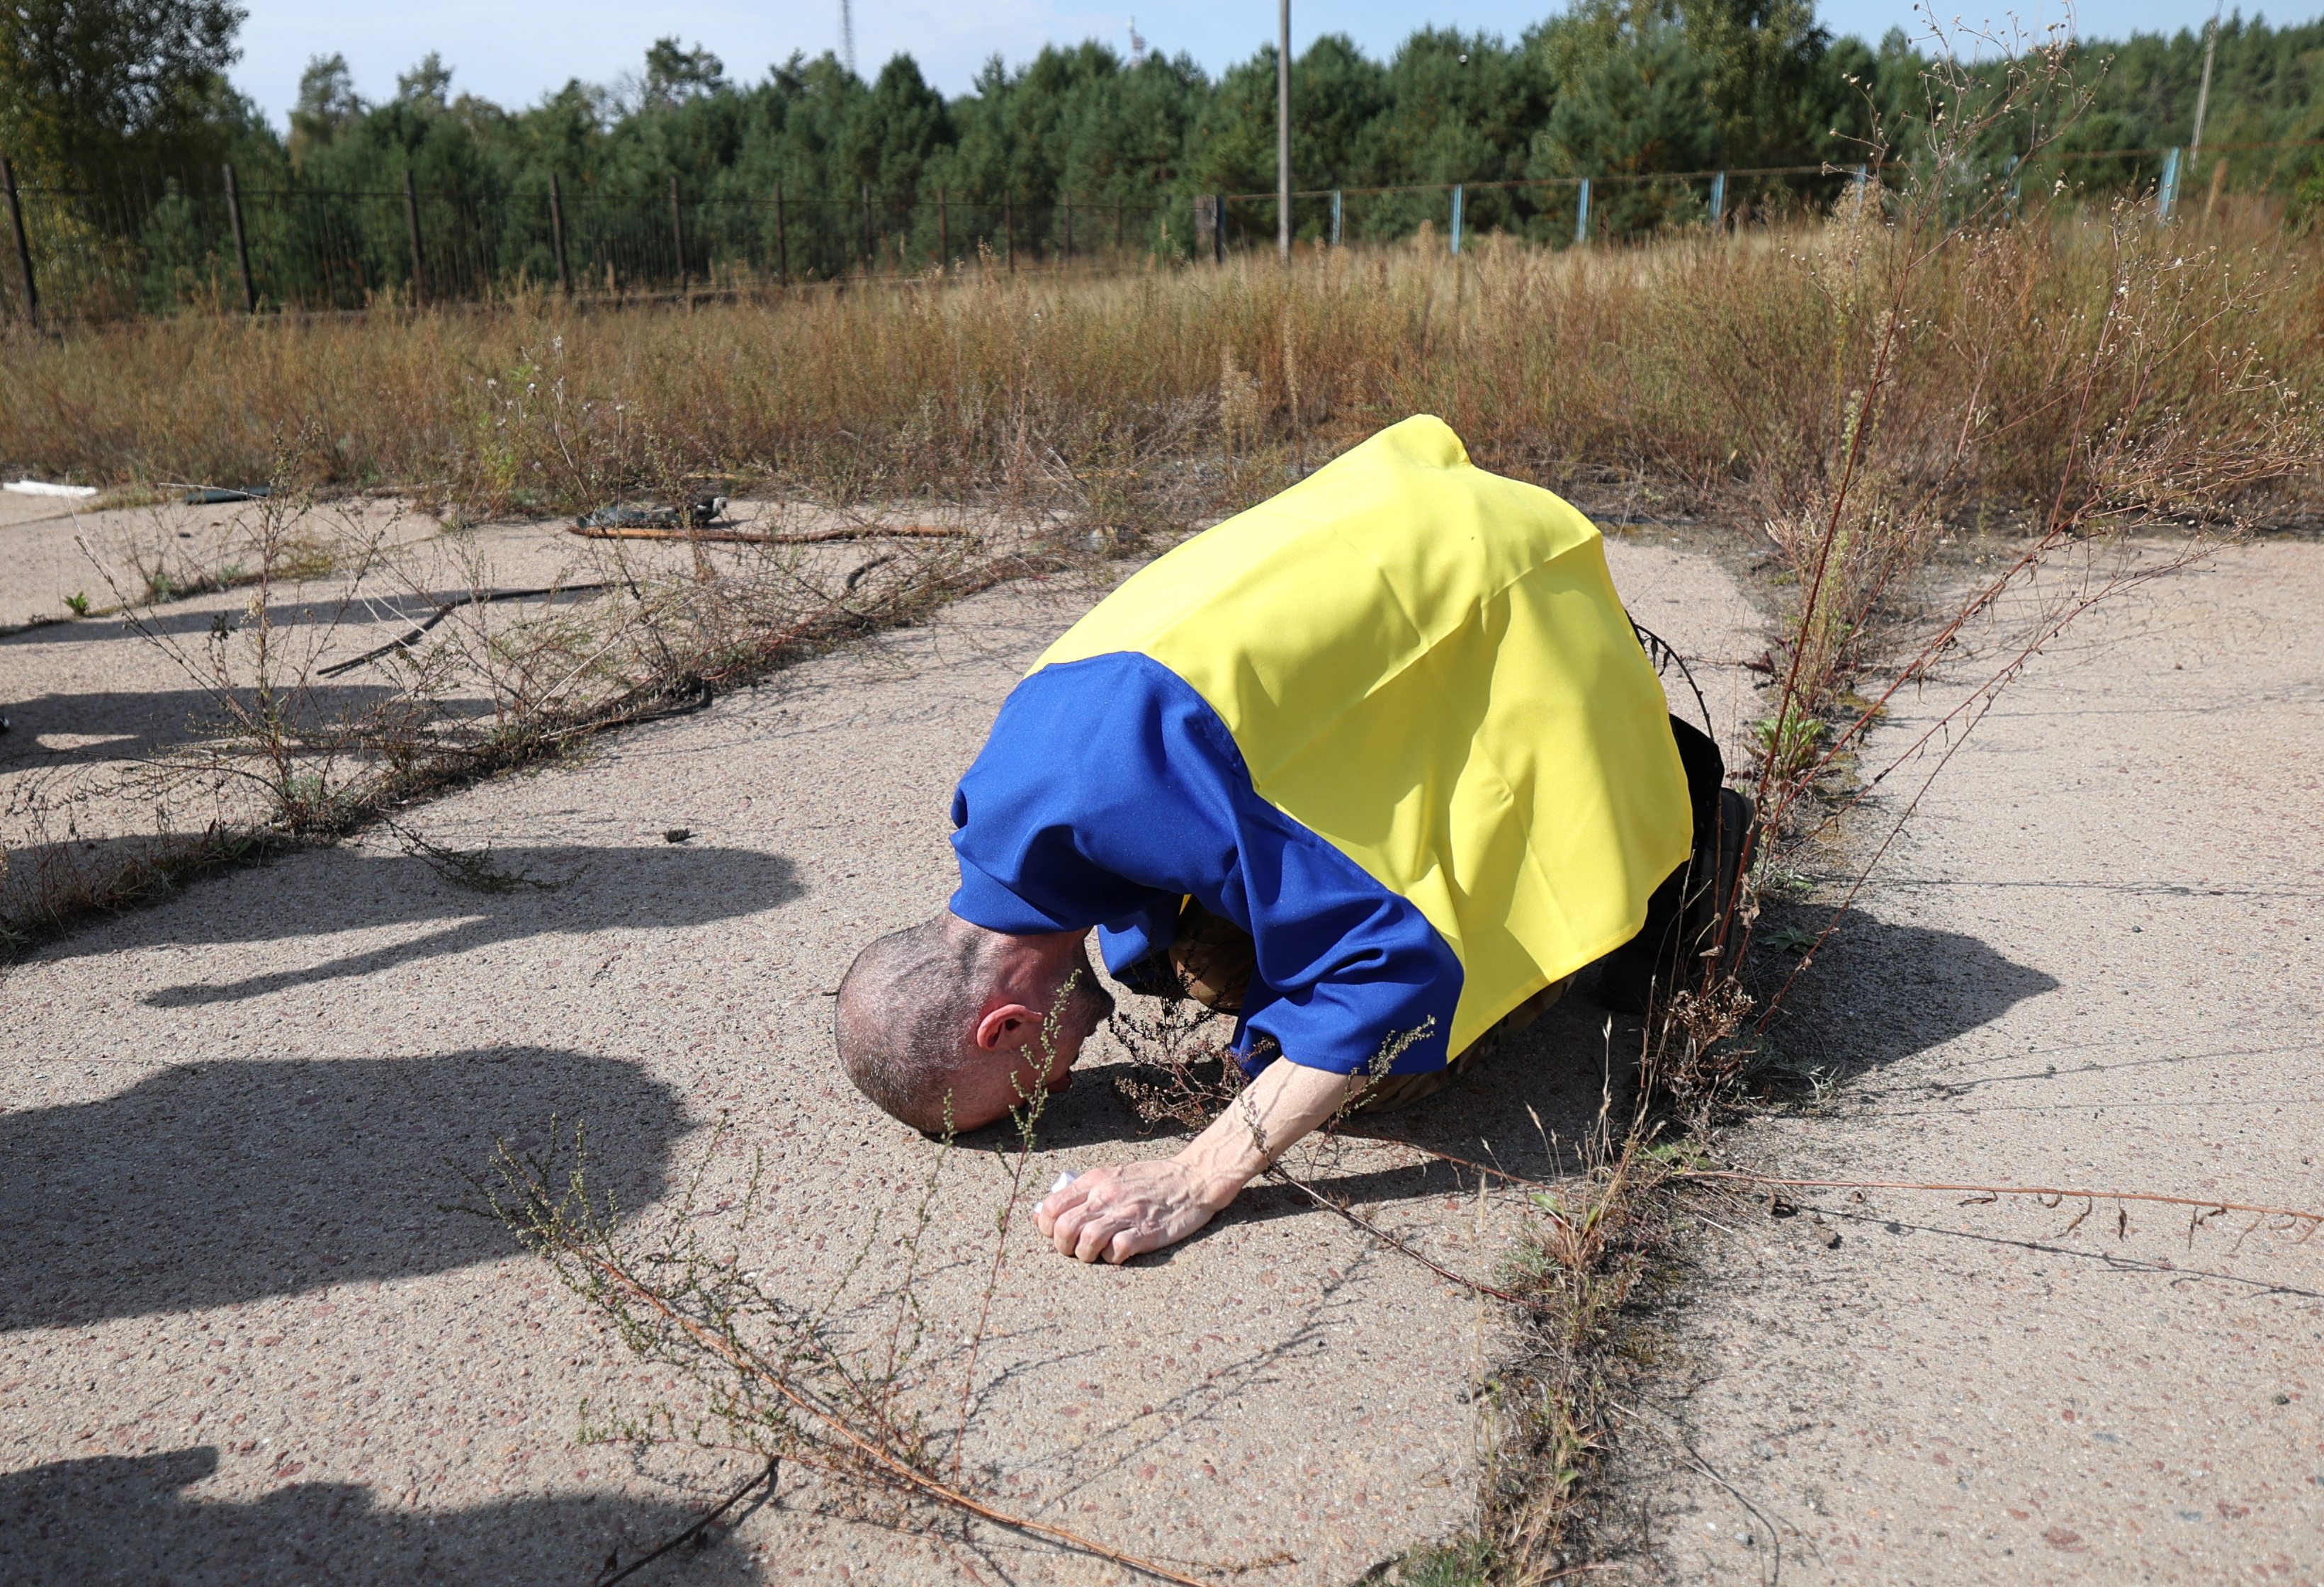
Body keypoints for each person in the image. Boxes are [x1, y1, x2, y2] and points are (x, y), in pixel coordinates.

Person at [834, 415, 1749, 1265]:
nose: (1063, 1089)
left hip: (1498, 584)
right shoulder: (996, 798)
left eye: (1035, 1089)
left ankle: (1664, 793)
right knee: (1212, 968)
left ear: (1006, 1024)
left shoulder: (1173, 785)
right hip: (1400, 520)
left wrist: (1200, 1174)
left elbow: (1399, 976)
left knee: (1375, 1075)